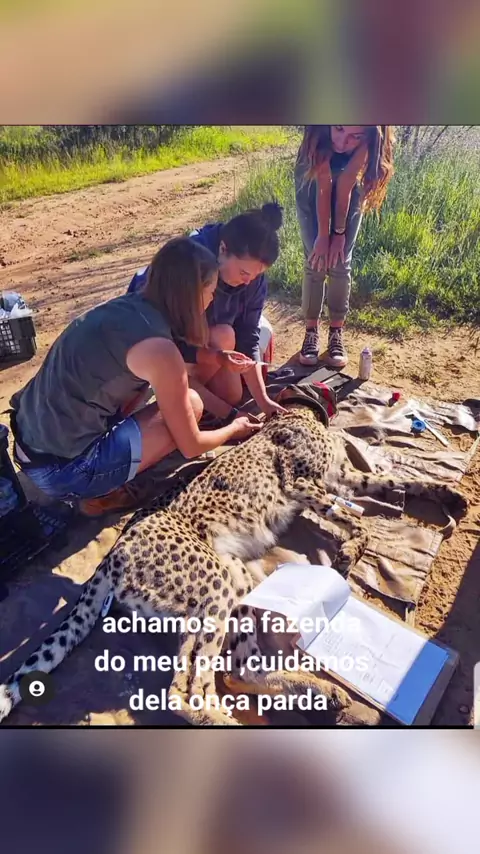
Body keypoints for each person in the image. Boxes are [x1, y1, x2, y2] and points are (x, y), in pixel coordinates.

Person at [8, 238, 263, 516]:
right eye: (211, 292)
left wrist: (217, 358)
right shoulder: (160, 351)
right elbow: (191, 446)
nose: (212, 299)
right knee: (191, 405)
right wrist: (234, 427)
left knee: (146, 392)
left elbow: (169, 354)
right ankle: (100, 494)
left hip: (27, 447)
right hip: (63, 472)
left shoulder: (130, 307)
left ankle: (106, 458)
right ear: (192, 295)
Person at [127, 202, 286, 423]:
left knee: (232, 394)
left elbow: (248, 336)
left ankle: (192, 395)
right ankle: (177, 398)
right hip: (158, 346)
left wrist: (264, 401)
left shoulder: (250, 278)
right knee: (199, 400)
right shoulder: (190, 266)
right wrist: (230, 416)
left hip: (204, 341)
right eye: (244, 272)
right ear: (223, 249)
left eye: (256, 275)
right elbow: (167, 346)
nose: (248, 281)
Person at [295, 125, 395, 368]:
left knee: (340, 259)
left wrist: (338, 233)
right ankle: (311, 332)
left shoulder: (371, 134)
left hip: (350, 183)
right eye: (338, 129)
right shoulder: (319, 133)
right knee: (316, 258)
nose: (341, 142)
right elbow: (324, 186)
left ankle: (336, 332)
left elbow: (345, 186)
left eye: (354, 137)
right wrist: (323, 235)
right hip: (312, 176)